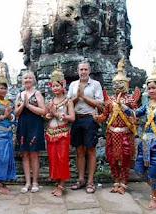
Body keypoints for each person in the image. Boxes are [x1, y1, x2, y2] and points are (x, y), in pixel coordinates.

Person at [119, 60, 156, 209]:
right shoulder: (147, 105)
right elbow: (134, 113)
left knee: (153, 171)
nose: (150, 91)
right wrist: (122, 105)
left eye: (153, 88)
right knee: (138, 169)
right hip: (146, 143)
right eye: (149, 88)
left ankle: (153, 198)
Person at [93, 56, 140, 194]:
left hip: (125, 133)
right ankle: (116, 181)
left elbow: (135, 115)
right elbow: (104, 116)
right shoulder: (109, 100)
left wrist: (134, 121)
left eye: (120, 83)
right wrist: (97, 118)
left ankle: (124, 183)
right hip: (112, 134)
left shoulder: (131, 99)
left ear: (125, 84)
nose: (117, 86)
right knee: (112, 159)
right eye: (116, 83)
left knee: (125, 159)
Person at [67, 61, 103, 194]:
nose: (83, 72)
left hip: (89, 118)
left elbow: (99, 104)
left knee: (91, 150)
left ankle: (90, 181)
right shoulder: (73, 85)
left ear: (89, 71)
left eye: (85, 69)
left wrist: (83, 96)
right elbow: (68, 102)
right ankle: (81, 179)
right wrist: (77, 96)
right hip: (76, 118)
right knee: (79, 150)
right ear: (77, 71)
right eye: (81, 69)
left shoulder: (95, 84)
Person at [44, 68, 75, 196]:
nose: (55, 88)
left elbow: (72, 118)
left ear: (63, 86)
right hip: (51, 132)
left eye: (58, 85)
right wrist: (50, 114)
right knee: (53, 159)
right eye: (54, 86)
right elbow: (46, 117)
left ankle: (62, 185)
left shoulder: (68, 101)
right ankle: (57, 183)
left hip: (63, 133)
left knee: (62, 158)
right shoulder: (50, 101)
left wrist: (57, 114)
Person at [15, 71, 46, 193]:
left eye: (30, 78)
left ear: (34, 80)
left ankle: (35, 182)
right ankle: (27, 182)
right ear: (22, 80)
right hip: (23, 125)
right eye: (25, 78)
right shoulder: (19, 94)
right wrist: (23, 105)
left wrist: (28, 106)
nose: (27, 80)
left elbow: (43, 111)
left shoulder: (37, 93)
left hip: (35, 125)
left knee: (34, 154)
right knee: (25, 154)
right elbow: (16, 113)